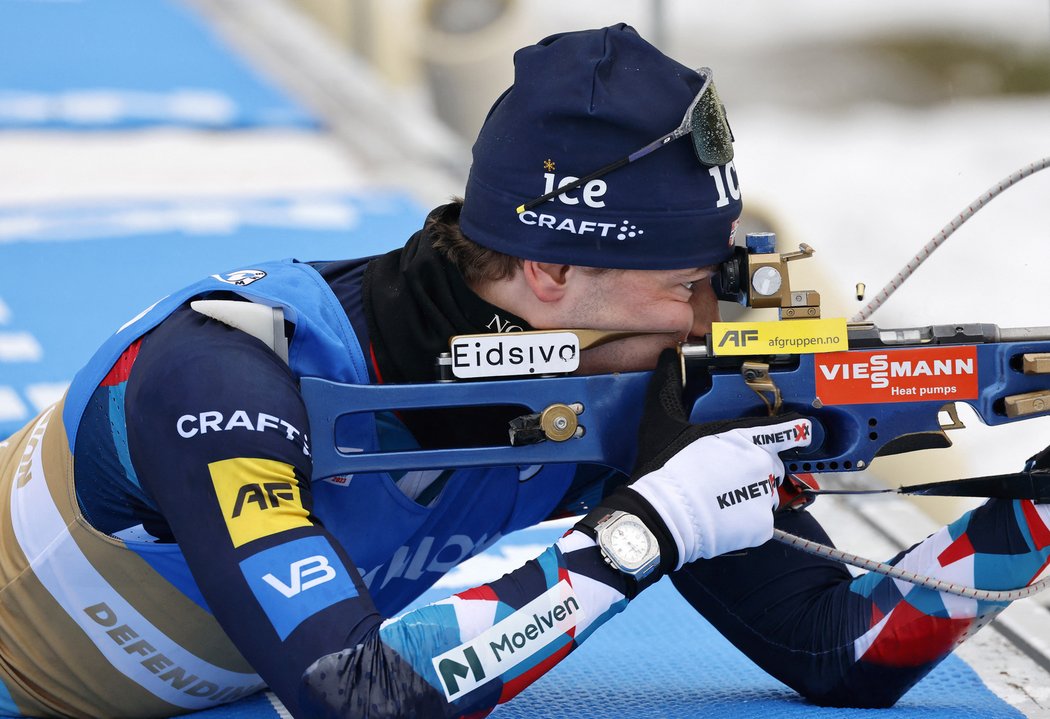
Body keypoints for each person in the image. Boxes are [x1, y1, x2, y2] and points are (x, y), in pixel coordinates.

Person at [0, 23, 1047, 719]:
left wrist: (1035, 513)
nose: (705, 319)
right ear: (549, 268)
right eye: (683, 282)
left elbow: (847, 647)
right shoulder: (220, 377)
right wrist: (641, 531)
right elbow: (352, 695)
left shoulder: (625, 379)